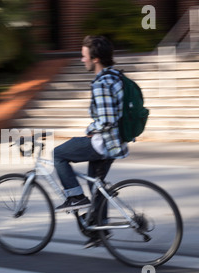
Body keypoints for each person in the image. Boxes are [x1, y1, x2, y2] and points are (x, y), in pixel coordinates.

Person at [53, 35, 129, 248]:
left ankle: (75, 198)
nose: (81, 60)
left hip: (104, 142)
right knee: (96, 185)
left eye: (83, 56)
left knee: (58, 154)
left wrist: (89, 130)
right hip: (117, 143)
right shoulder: (116, 76)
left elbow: (106, 120)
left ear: (95, 59)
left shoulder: (102, 83)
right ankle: (99, 230)